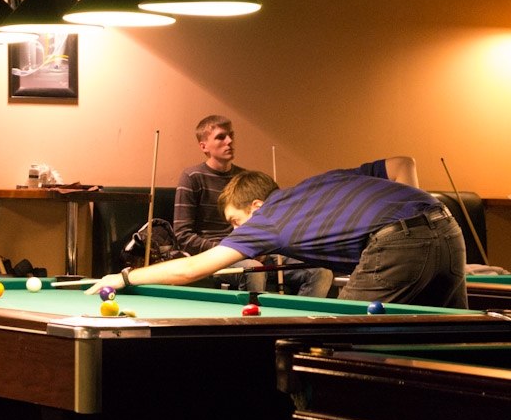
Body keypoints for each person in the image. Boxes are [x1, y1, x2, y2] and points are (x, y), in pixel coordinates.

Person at [90, 156, 468, 309]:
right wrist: (419, 217)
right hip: (447, 224)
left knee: (337, 347)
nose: (237, 232)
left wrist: (125, 277)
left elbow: (192, 269)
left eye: (236, 222)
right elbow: (402, 162)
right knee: (455, 338)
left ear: (256, 207)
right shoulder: (319, 182)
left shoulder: (266, 219)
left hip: (398, 243)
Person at [173, 115, 332, 296]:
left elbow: (266, 222)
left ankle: (297, 316)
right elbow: (183, 236)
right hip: (216, 255)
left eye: (231, 135)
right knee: (253, 269)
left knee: (320, 272)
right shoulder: (192, 177)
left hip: (254, 250)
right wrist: (230, 249)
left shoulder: (245, 179)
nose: (229, 141)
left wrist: (260, 247)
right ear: (204, 146)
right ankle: (253, 315)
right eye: (221, 137)